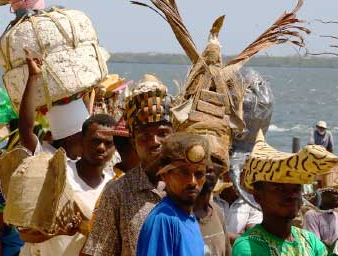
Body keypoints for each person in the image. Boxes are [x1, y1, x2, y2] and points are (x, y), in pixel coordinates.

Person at [82, 74, 172, 256]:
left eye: (162, 133)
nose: (154, 142)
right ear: (133, 142)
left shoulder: (191, 186)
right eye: (145, 136)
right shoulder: (118, 192)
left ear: (174, 133)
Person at [21, 114, 117, 255]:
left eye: (108, 143)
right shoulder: (56, 173)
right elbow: (25, 233)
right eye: (95, 141)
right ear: (81, 140)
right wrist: (59, 231)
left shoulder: (114, 187)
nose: (101, 147)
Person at [232, 132, 337, 256]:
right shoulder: (248, 246)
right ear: (258, 196)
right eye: (279, 189)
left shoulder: (310, 241)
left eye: (296, 189)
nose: (291, 195)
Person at [136, 133, 215, 256]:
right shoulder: (164, 220)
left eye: (199, 174)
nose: (193, 182)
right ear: (165, 175)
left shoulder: (188, 217)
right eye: (184, 172)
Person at [195, 164, 232, 256]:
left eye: (215, 160)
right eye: (204, 160)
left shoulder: (217, 211)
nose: (210, 166)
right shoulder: (174, 216)